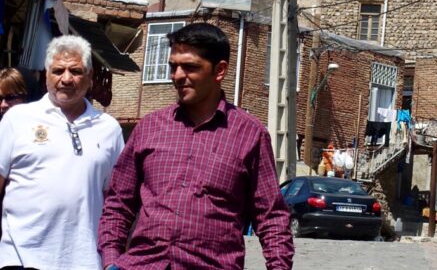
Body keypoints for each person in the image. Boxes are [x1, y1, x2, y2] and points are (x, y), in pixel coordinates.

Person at [98, 23, 293, 270]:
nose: (177, 75)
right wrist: (111, 260)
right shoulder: (150, 127)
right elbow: (118, 203)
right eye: (173, 66)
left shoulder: (250, 135)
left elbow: (272, 218)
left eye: (190, 67)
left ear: (219, 70)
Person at [0, 36, 124, 270]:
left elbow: (115, 202)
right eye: (58, 70)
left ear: (89, 76)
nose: (66, 79)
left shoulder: (109, 129)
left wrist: (112, 257)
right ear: (46, 74)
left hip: (85, 261)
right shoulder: (17, 120)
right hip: (20, 258)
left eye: (75, 71)